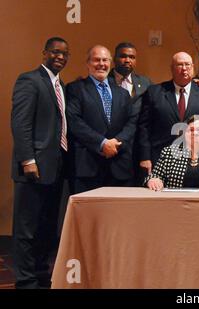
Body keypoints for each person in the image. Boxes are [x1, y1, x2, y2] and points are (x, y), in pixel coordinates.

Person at [11, 37, 70, 288]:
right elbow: (20, 123)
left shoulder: (60, 84)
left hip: (55, 167)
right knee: (27, 229)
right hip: (33, 168)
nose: (60, 57)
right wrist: (28, 160)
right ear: (44, 52)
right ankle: (25, 281)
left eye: (65, 54)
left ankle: (40, 274)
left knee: (46, 225)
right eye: (55, 52)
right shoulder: (29, 80)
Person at [66, 45, 138, 194]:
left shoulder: (123, 93)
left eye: (105, 60)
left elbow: (131, 122)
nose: (101, 64)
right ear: (87, 63)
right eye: (96, 60)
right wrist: (102, 143)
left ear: (110, 63)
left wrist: (116, 143)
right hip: (88, 167)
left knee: (119, 215)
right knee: (89, 216)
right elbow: (74, 121)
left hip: (119, 167)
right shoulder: (75, 89)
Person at [138, 51, 199, 176]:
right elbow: (143, 127)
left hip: (196, 160)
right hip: (160, 158)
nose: (184, 69)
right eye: (180, 65)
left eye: (188, 65)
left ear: (193, 67)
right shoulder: (154, 92)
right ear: (172, 68)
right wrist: (145, 157)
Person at [145, 116, 199, 190]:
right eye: (191, 130)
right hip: (175, 204)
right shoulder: (169, 152)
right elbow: (152, 176)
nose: (195, 133)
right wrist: (152, 180)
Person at [109, 42, 153, 185]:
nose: (127, 60)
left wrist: (194, 82)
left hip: (137, 149)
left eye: (132, 57)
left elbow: (163, 94)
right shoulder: (103, 81)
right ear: (114, 58)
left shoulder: (145, 82)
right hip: (113, 148)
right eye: (123, 56)